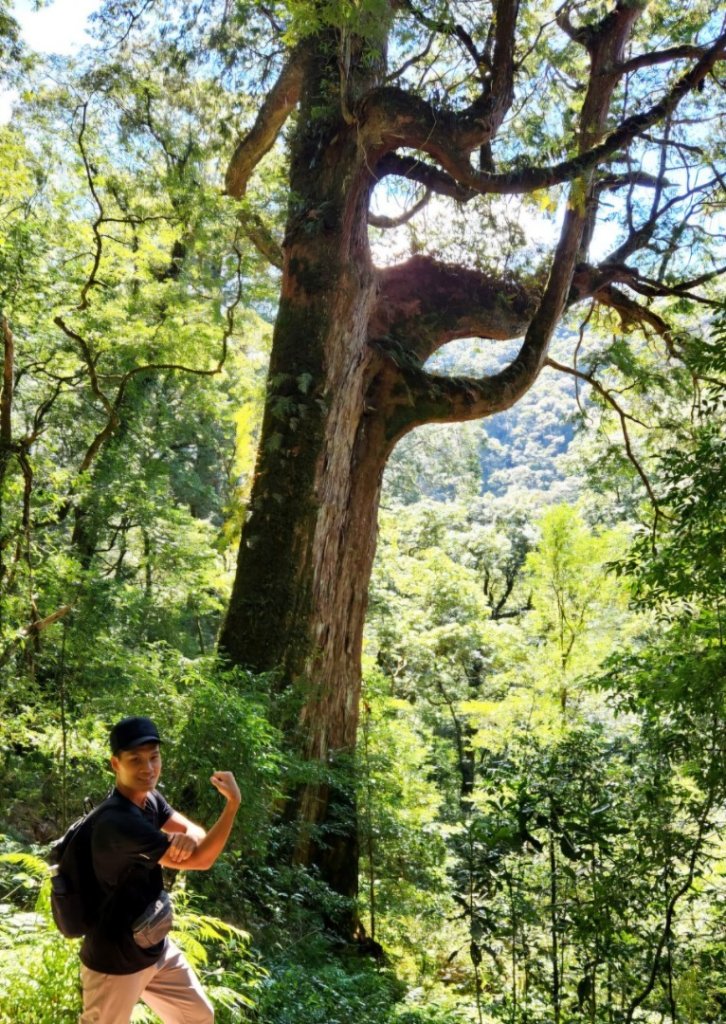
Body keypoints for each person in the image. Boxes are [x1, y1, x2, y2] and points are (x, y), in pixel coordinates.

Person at [79, 715, 241, 1024]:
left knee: (198, 1018)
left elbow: (195, 834)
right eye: (135, 759)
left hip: (153, 947)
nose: (148, 768)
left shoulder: (149, 799)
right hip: (115, 960)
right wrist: (232, 804)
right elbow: (203, 859)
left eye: (154, 757)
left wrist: (183, 839)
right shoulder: (119, 822)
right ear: (116, 764)